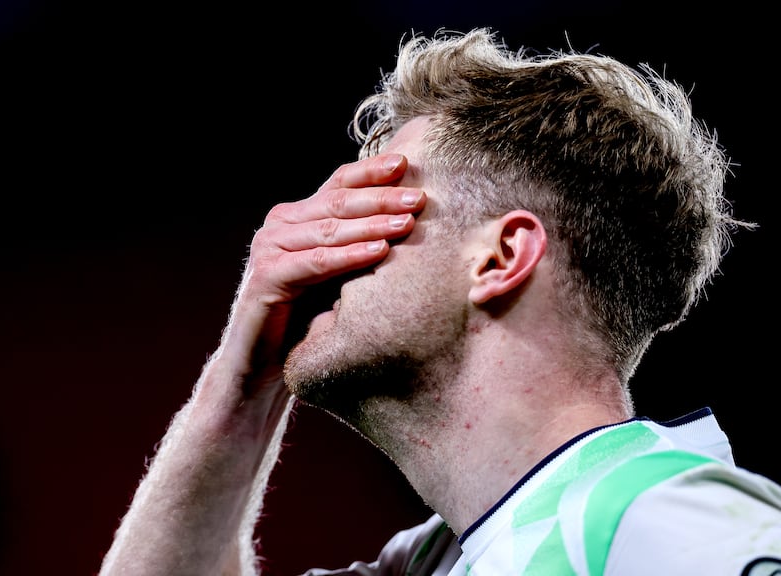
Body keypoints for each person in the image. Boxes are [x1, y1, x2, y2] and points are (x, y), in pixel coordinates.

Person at [98, 27, 781, 576]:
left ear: (502, 258)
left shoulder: (657, 517)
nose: (321, 261)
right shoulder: (441, 559)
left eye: (372, 215)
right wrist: (242, 381)